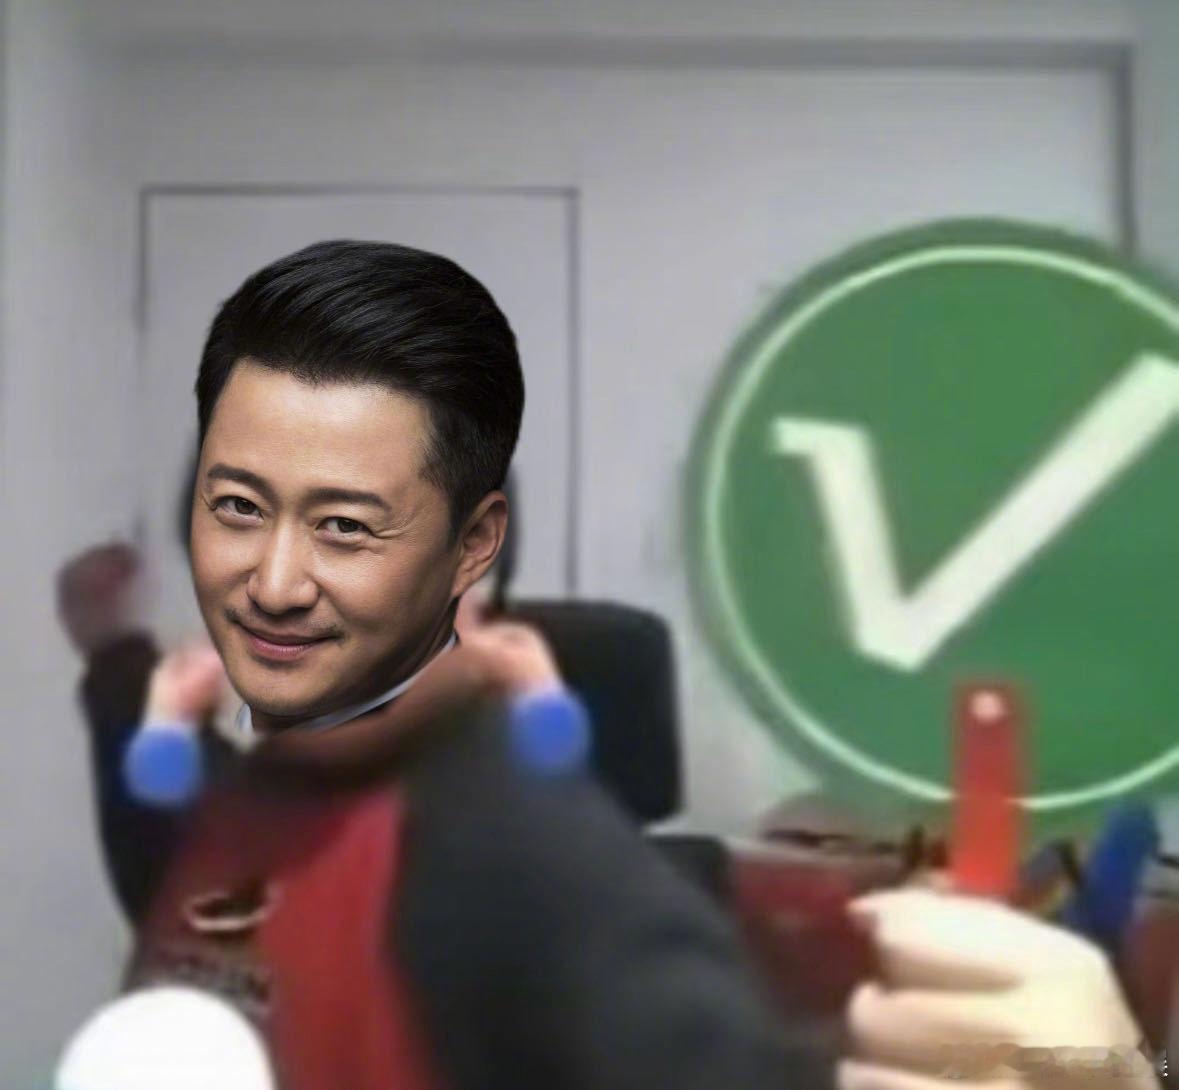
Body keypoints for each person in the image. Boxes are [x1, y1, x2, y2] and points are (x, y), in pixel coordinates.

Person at [60, 240, 793, 1090]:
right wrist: (107, 644)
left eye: (347, 527)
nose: (276, 586)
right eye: (239, 513)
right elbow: (160, 845)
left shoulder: (527, 859)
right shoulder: (245, 796)